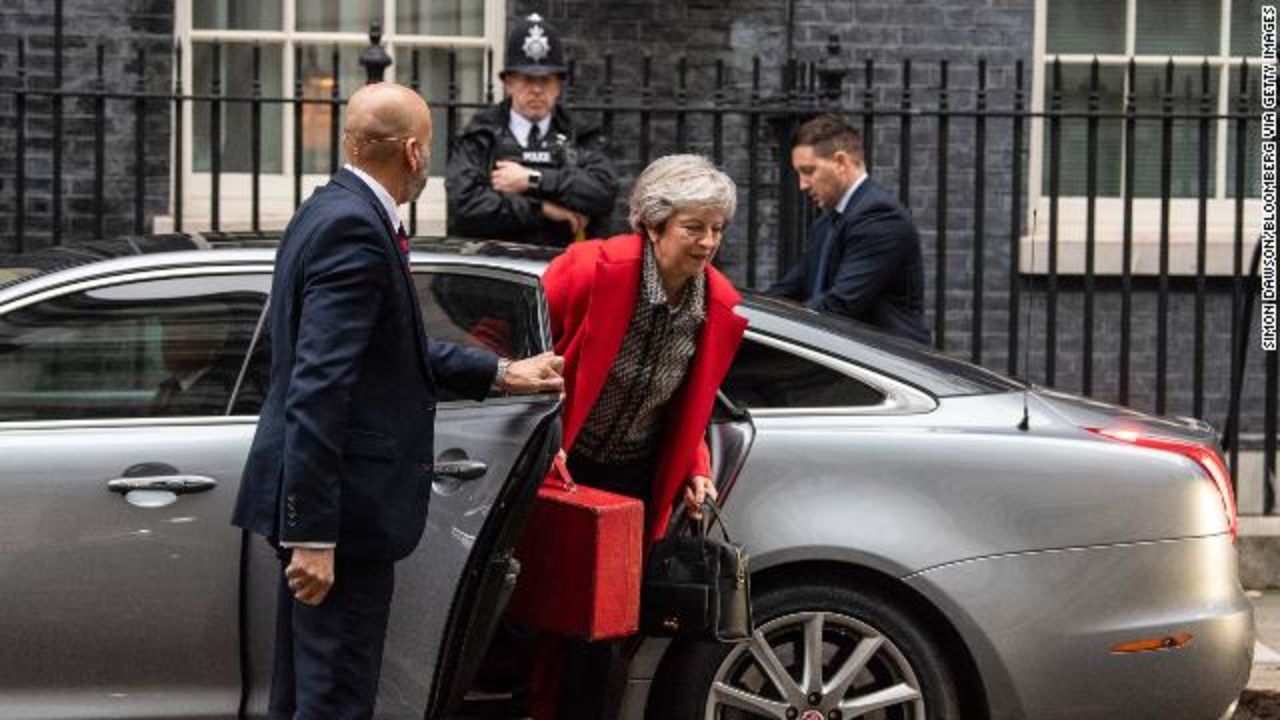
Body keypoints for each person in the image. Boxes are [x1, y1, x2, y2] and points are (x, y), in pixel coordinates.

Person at [231, 82, 564, 720]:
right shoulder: (356, 229)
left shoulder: (328, 208)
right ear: (413, 151)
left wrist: (499, 373)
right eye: (431, 149)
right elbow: (318, 386)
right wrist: (314, 534)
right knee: (335, 699)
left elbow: (384, 355)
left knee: (308, 693)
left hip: (338, 509)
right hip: (345, 518)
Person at [535, 154, 747, 719]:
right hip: (564, 470)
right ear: (653, 225)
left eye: (717, 229)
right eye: (693, 227)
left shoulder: (715, 303)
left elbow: (690, 404)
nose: (707, 243)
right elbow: (513, 346)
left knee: (608, 627)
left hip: (632, 483)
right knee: (544, 615)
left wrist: (697, 468)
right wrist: (538, 431)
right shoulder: (590, 270)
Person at [446, 13, 618, 248]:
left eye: (546, 80)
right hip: (496, 268)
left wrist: (532, 180)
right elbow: (466, 205)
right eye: (527, 79)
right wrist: (544, 210)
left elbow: (603, 191)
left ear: (558, 86)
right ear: (508, 83)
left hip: (565, 267)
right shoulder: (482, 134)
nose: (537, 90)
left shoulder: (579, 133)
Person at [767, 113, 931, 344]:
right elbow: (789, 288)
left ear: (841, 162)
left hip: (889, 366)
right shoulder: (826, 223)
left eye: (809, 171)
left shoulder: (881, 217)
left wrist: (773, 326)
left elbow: (841, 304)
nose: (802, 185)